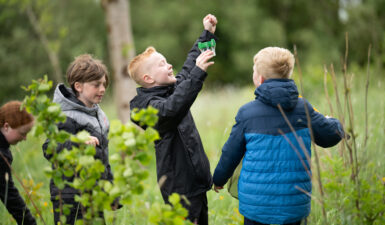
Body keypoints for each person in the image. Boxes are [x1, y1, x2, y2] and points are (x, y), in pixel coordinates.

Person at [213, 47, 344, 225]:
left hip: (256, 208)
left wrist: (219, 179)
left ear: (260, 78)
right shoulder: (303, 108)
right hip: (294, 208)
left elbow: (230, 153)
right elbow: (331, 135)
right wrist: (333, 122)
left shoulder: (247, 113)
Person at [128, 14, 217, 225]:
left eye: (167, 61)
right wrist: (197, 73)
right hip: (179, 189)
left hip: (196, 183)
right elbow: (171, 110)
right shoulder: (143, 107)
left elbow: (188, 68)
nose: (169, 66)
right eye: (162, 64)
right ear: (148, 79)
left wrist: (207, 34)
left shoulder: (172, 88)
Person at [42, 54, 114, 225]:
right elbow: (49, 148)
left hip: (93, 194)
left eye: (104, 84)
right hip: (69, 197)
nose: (102, 89)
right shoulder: (64, 115)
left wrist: (109, 189)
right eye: (96, 85)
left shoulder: (98, 115)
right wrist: (76, 142)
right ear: (78, 86)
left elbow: (103, 156)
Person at [0, 101, 36, 225]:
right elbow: (9, 196)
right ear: (6, 126)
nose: (25, 138)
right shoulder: (1, 155)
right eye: (22, 133)